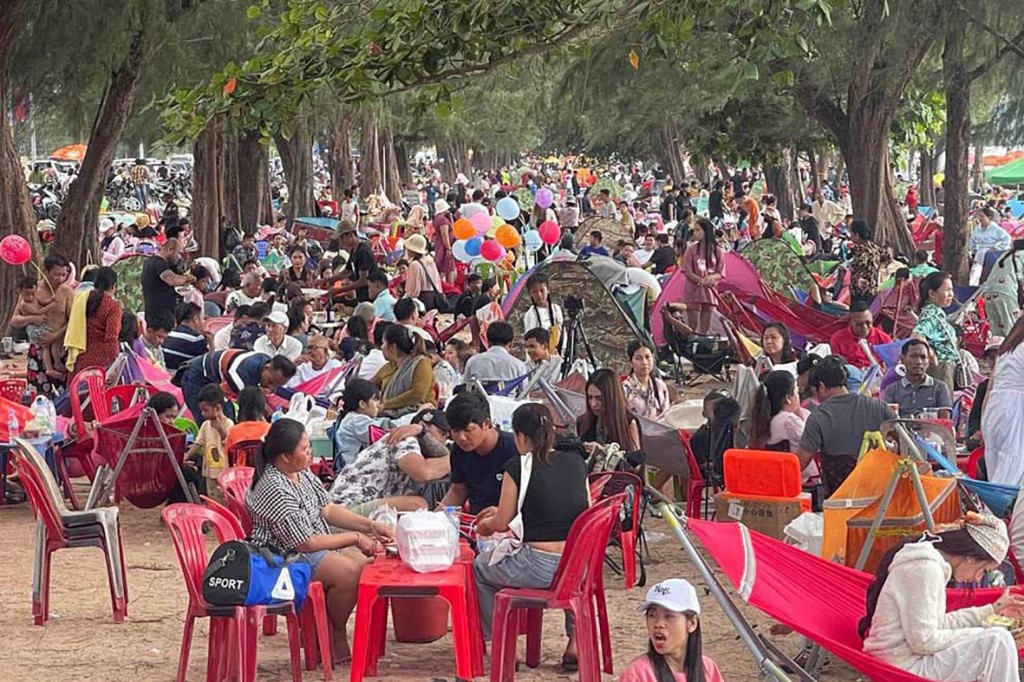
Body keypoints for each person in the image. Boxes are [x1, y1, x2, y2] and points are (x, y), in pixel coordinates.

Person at [246, 419, 392, 663]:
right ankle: (332, 633)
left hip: (308, 546)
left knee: (368, 562)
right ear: (285, 456)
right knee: (349, 572)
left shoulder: (299, 473)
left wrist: (370, 526)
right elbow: (305, 543)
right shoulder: (273, 486)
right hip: (281, 559)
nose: (310, 452)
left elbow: (328, 509)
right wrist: (356, 537)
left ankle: (322, 629)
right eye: (304, 449)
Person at [473, 403, 589, 668]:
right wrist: (502, 511)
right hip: (576, 565)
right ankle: (575, 643)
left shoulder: (518, 465)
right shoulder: (576, 462)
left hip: (538, 566)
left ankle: (502, 646)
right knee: (575, 578)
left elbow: (501, 523)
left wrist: (485, 525)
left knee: (480, 569)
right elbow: (581, 509)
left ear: (520, 436)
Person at [861, 513, 1024, 682]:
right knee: (998, 641)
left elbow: (938, 625)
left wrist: (993, 608)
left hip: (908, 658)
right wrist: (984, 633)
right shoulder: (925, 569)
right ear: (970, 558)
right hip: (901, 665)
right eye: (984, 571)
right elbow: (924, 641)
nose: (978, 579)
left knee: (996, 640)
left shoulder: (931, 565)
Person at [797, 357, 891, 495]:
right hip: (879, 494)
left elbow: (801, 462)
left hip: (839, 497)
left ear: (821, 387)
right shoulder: (879, 407)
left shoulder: (818, 417)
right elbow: (906, 443)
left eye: (814, 391)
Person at [329, 408, 451, 514]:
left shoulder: (412, 447)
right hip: (342, 511)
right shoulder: (405, 439)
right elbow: (423, 472)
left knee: (412, 499)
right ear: (422, 425)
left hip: (342, 509)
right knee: (418, 505)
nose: (443, 441)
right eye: (441, 433)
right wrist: (455, 458)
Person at [422, 391, 519, 514]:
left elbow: (532, 497)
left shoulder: (514, 449)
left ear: (486, 424)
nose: (461, 437)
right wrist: (434, 518)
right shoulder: (458, 451)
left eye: (468, 430)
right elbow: (458, 491)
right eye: (456, 431)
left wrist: (504, 514)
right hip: (475, 521)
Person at [619, 578, 725, 682]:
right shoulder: (638, 674)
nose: (658, 624)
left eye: (669, 616)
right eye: (652, 615)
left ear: (692, 623)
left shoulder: (708, 669)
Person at [178, 350, 296, 424]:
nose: (271, 388)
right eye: (270, 382)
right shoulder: (241, 374)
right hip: (197, 377)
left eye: (275, 385)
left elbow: (282, 393)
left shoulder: (265, 363)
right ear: (266, 368)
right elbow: (223, 399)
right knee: (212, 419)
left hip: (217, 380)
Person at [748, 370, 820, 484]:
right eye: (796, 392)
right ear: (788, 398)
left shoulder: (763, 420)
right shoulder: (789, 421)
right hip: (799, 481)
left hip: (773, 479)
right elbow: (814, 442)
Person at [983, 317, 1024, 487]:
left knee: (997, 467)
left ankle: (993, 511)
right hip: (1014, 411)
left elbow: (989, 389)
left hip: (995, 409)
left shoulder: (1005, 352)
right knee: (1013, 466)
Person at [371, 323, 435, 414]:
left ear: (393, 347)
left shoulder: (421, 364)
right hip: (389, 415)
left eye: (383, 343)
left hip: (417, 417)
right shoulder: (390, 366)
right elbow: (370, 385)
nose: (381, 347)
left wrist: (385, 405)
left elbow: (416, 395)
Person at [577, 368, 642, 455]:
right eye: (590, 397)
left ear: (612, 398)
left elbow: (636, 464)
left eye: (600, 399)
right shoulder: (583, 422)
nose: (593, 404)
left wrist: (604, 452)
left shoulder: (628, 423)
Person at [912, 272, 959, 391]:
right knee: (943, 406)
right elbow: (917, 335)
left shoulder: (937, 313)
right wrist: (931, 355)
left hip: (945, 368)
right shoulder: (931, 314)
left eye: (951, 290)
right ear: (932, 294)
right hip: (941, 369)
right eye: (947, 290)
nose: (951, 294)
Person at [184, 384, 234, 496]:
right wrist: (185, 457)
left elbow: (229, 444)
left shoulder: (228, 424)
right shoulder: (206, 425)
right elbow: (198, 443)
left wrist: (220, 428)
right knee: (211, 496)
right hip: (209, 472)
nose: (202, 413)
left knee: (224, 497)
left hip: (223, 472)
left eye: (205, 410)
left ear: (217, 408)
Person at [883, 340, 953, 419]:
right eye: (913, 356)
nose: (919, 362)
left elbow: (944, 421)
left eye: (923, 357)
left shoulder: (940, 388)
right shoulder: (892, 390)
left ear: (929, 361)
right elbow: (888, 421)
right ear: (902, 359)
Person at [71, 267, 123, 372]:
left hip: (81, 354)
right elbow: (111, 337)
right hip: (102, 359)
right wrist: (116, 362)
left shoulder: (82, 299)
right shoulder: (113, 306)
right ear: (114, 286)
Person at [681, 218, 725, 335]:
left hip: (710, 291)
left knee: (705, 327)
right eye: (694, 230)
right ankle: (691, 346)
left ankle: (703, 346)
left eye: (698, 230)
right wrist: (701, 280)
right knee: (693, 325)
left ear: (706, 231)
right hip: (693, 291)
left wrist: (711, 279)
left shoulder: (718, 251)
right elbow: (687, 271)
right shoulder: (691, 250)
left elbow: (720, 273)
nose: (695, 233)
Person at [828, 301, 892, 370]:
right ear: (850, 322)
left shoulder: (884, 339)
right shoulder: (837, 339)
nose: (864, 327)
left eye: (868, 322)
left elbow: (890, 364)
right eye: (859, 324)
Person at [463, 322, 529, 385]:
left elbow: (464, 388)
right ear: (510, 343)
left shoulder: (472, 361)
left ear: (487, 341)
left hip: (478, 396)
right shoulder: (518, 366)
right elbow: (524, 394)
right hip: (509, 397)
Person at [981, 240, 1024, 337]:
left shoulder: (1006, 254)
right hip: (1006, 294)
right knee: (1012, 332)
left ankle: (997, 351)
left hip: (988, 293)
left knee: (997, 333)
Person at [141, 238, 193, 314]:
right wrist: (187, 278)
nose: (179, 257)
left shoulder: (151, 262)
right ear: (170, 249)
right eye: (179, 253)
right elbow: (171, 279)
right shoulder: (158, 263)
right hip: (160, 314)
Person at [622, 340, 670, 422]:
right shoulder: (624, 389)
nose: (644, 362)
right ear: (631, 362)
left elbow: (666, 414)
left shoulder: (660, 385)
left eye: (647, 357)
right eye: (638, 358)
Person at [224, 386, 271, 464]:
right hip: (265, 474)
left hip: (240, 473)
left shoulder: (233, 431)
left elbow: (229, 459)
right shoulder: (269, 430)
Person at [335, 220, 379, 303]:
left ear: (350, 235)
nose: (341, 242)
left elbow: (363, 280)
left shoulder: (363, 251)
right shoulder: (354, 250)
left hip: (369, 297)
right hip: (361, 296)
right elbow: (347, 272)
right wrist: (328, 280)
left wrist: (339, 290)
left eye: (342, 238)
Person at [403, 234, 446, 312]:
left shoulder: (414, 265)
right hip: (433, 299)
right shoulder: (430, 261)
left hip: (422, 300)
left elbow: (413, 291)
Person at [163, 302, 211, 371]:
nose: (204, 322)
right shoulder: (197, 339)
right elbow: (207, 365)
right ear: (195, 319)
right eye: (203, 318)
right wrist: (211, 341)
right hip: (183, 378)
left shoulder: (170, 333)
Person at [970, 207, 1012, 285]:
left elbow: (1007, 238)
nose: (980, 218)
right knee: (975, 274)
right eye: (979, 216)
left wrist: (997, 248)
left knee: (988, 274)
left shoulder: (995, 228)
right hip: (979, 254)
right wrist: (974, 249)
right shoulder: (977, 228)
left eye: (982, 216)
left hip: (990, 255)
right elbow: (972, 240)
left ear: (989, 217)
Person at [521, 273, 564, 344]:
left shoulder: (556, 309)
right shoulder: (530, 315)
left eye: (542, 290)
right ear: (530, 294)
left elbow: (561, 332)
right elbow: (530, 340)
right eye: (535, 292)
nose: (539, 295)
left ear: (548, 289)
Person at [848, 220, 882, 307]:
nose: (850, 236)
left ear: (857, 235)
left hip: (860, 291)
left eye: (851, 233)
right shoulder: (875, 247)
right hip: (873, 288)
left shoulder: (861, 250)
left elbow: (856, 267)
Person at [520, 328, 563, 395]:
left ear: (545, 346)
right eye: (527, 347)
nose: (529, 351)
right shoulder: (524, 368)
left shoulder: (560, 363)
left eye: (532, 346)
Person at [432, 198, 456, 283]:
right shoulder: (442, 220)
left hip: (441, 245)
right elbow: (444, 234)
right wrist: (448, 247)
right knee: (447, 268)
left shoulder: (438, 218)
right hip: (444, 247)